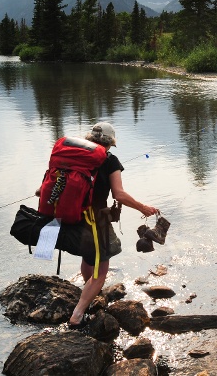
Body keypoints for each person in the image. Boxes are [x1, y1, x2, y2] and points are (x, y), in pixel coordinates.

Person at [68, 121, 159, 328]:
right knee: (101, 272)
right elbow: (119, 194)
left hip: (74, 217)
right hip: (96, 220)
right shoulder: (110, 160)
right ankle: (77, 315)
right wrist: (142, 207)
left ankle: (90, 293)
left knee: (89, 258)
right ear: (110, 143)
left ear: (90, 138)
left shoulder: (76, 156)